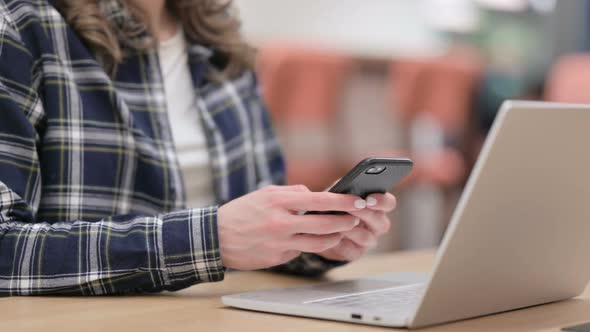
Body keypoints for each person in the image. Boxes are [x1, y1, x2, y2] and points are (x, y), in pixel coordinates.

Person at [0, 0, 396, 295]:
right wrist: (209, 239)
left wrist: (314, 237)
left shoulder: (220, 39)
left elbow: (254, 233)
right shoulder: (21, 26)